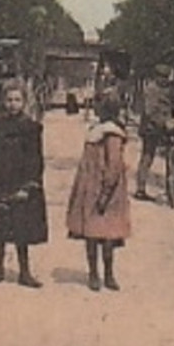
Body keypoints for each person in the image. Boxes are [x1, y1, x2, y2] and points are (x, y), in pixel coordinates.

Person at [0, 78, 49, 287]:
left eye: (17, 100)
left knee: (21, 228)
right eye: (9, 100)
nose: (13, 104)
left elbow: (36, 158)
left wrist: (29, 186)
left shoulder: (31, 128)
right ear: (3, 101)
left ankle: (24, 272)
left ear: (24, 102)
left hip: (20, 182)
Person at [65, 92, 132, 291]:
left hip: (106, 191)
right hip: (90, 187)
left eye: (98, 105)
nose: (94, 108)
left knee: (108, 235)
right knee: (91, 234)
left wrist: (105, 193)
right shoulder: (95, 130)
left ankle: (109, 273)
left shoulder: (112, 134)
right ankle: (93, 273)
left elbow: (114, 166)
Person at [134, 64, 174, 202]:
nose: (164, 80)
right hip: (152, 127)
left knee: (159, 157)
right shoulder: (151, 89)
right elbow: (149, 111)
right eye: (162, 77)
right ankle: (140, 189)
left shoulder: (167, 89)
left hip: (161, 124)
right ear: (156, 76)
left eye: (166, 77)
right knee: (147, 156)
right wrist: (163, 122)